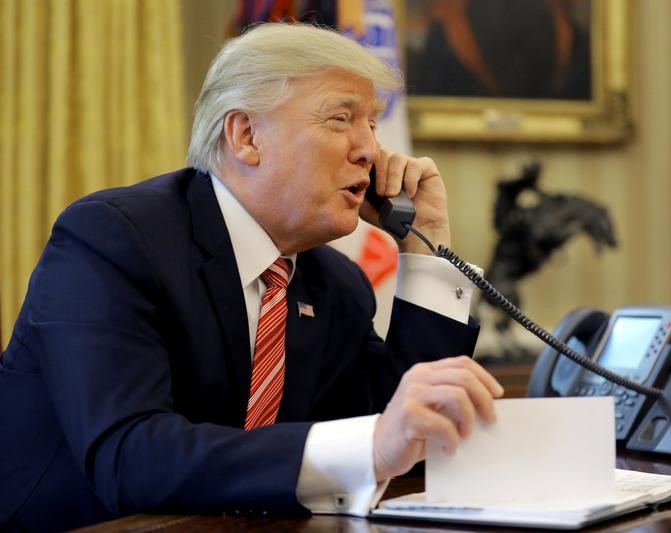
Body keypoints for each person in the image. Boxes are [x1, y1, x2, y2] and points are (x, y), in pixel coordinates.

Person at [0, 22, 503, 531]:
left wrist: (429, 243)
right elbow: (129, 455)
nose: (369, 150)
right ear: (245, 136)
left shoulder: (334, 285)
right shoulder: (116, 239)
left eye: (372, 124)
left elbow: (415, 445)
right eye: (339, 119)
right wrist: (370, 443)